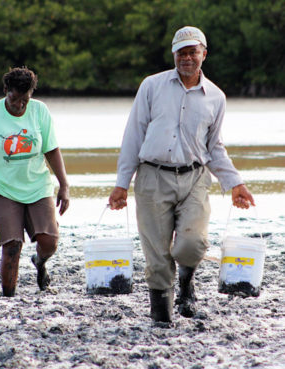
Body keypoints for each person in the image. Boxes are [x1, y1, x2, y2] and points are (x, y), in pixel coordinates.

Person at [108, 26, 255, 323]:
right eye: (181, 52)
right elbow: (133, 137)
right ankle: (161, 315)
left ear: (204, 54)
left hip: (195, 178)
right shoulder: (151, 86)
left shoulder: (216, 97)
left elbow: (214, 147)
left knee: (192, 243)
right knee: (158, 256)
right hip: (152, 177)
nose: (187, 58)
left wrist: (235, 183)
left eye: (192, 52)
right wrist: (121, 184)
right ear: (173, 54)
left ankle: (186, 285)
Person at [0, 67, 69, 297]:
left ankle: (39, 262)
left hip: (38, 186)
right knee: (11, 246)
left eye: (25, 100)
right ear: (5, 91)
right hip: (5, 189)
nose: (19, 105)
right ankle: (8, 297)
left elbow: (51, 149)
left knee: (49, 242)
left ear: (31, 95)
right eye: (14, 99)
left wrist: (64, 186)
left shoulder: (40, 111)